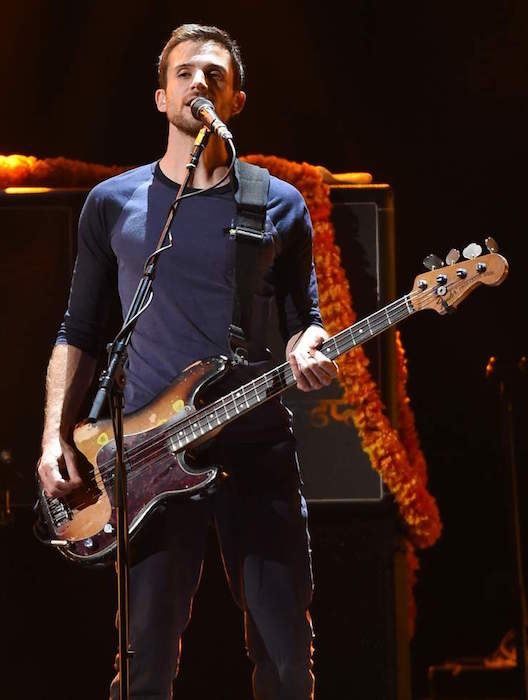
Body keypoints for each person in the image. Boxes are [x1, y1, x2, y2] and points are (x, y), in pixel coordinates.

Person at [37, 23, 337, 700]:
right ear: (159, 95)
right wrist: (55, 434)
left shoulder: (277, 203)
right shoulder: (113, 204)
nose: (199, 82)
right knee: (143, 669)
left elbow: (301, 321)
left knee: (287, 666)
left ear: (236, 101)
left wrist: (309, 344)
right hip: (148, 460)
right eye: (185, 73)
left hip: (256, 451)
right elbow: (79, 329)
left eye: (215, 76)